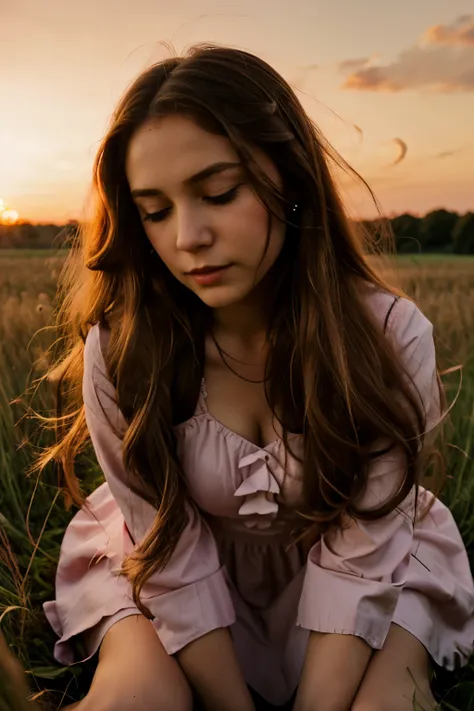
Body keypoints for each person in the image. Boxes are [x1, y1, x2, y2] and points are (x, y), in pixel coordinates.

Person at [33, 45, 473, 711]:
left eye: (218, 192)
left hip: (373, 566)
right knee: (138, 695)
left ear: (290, 179)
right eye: (154, 210)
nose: (188, 236)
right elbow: (170, 551)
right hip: (163, 567)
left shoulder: (388, 339)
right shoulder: (124, 350)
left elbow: (363, 554)